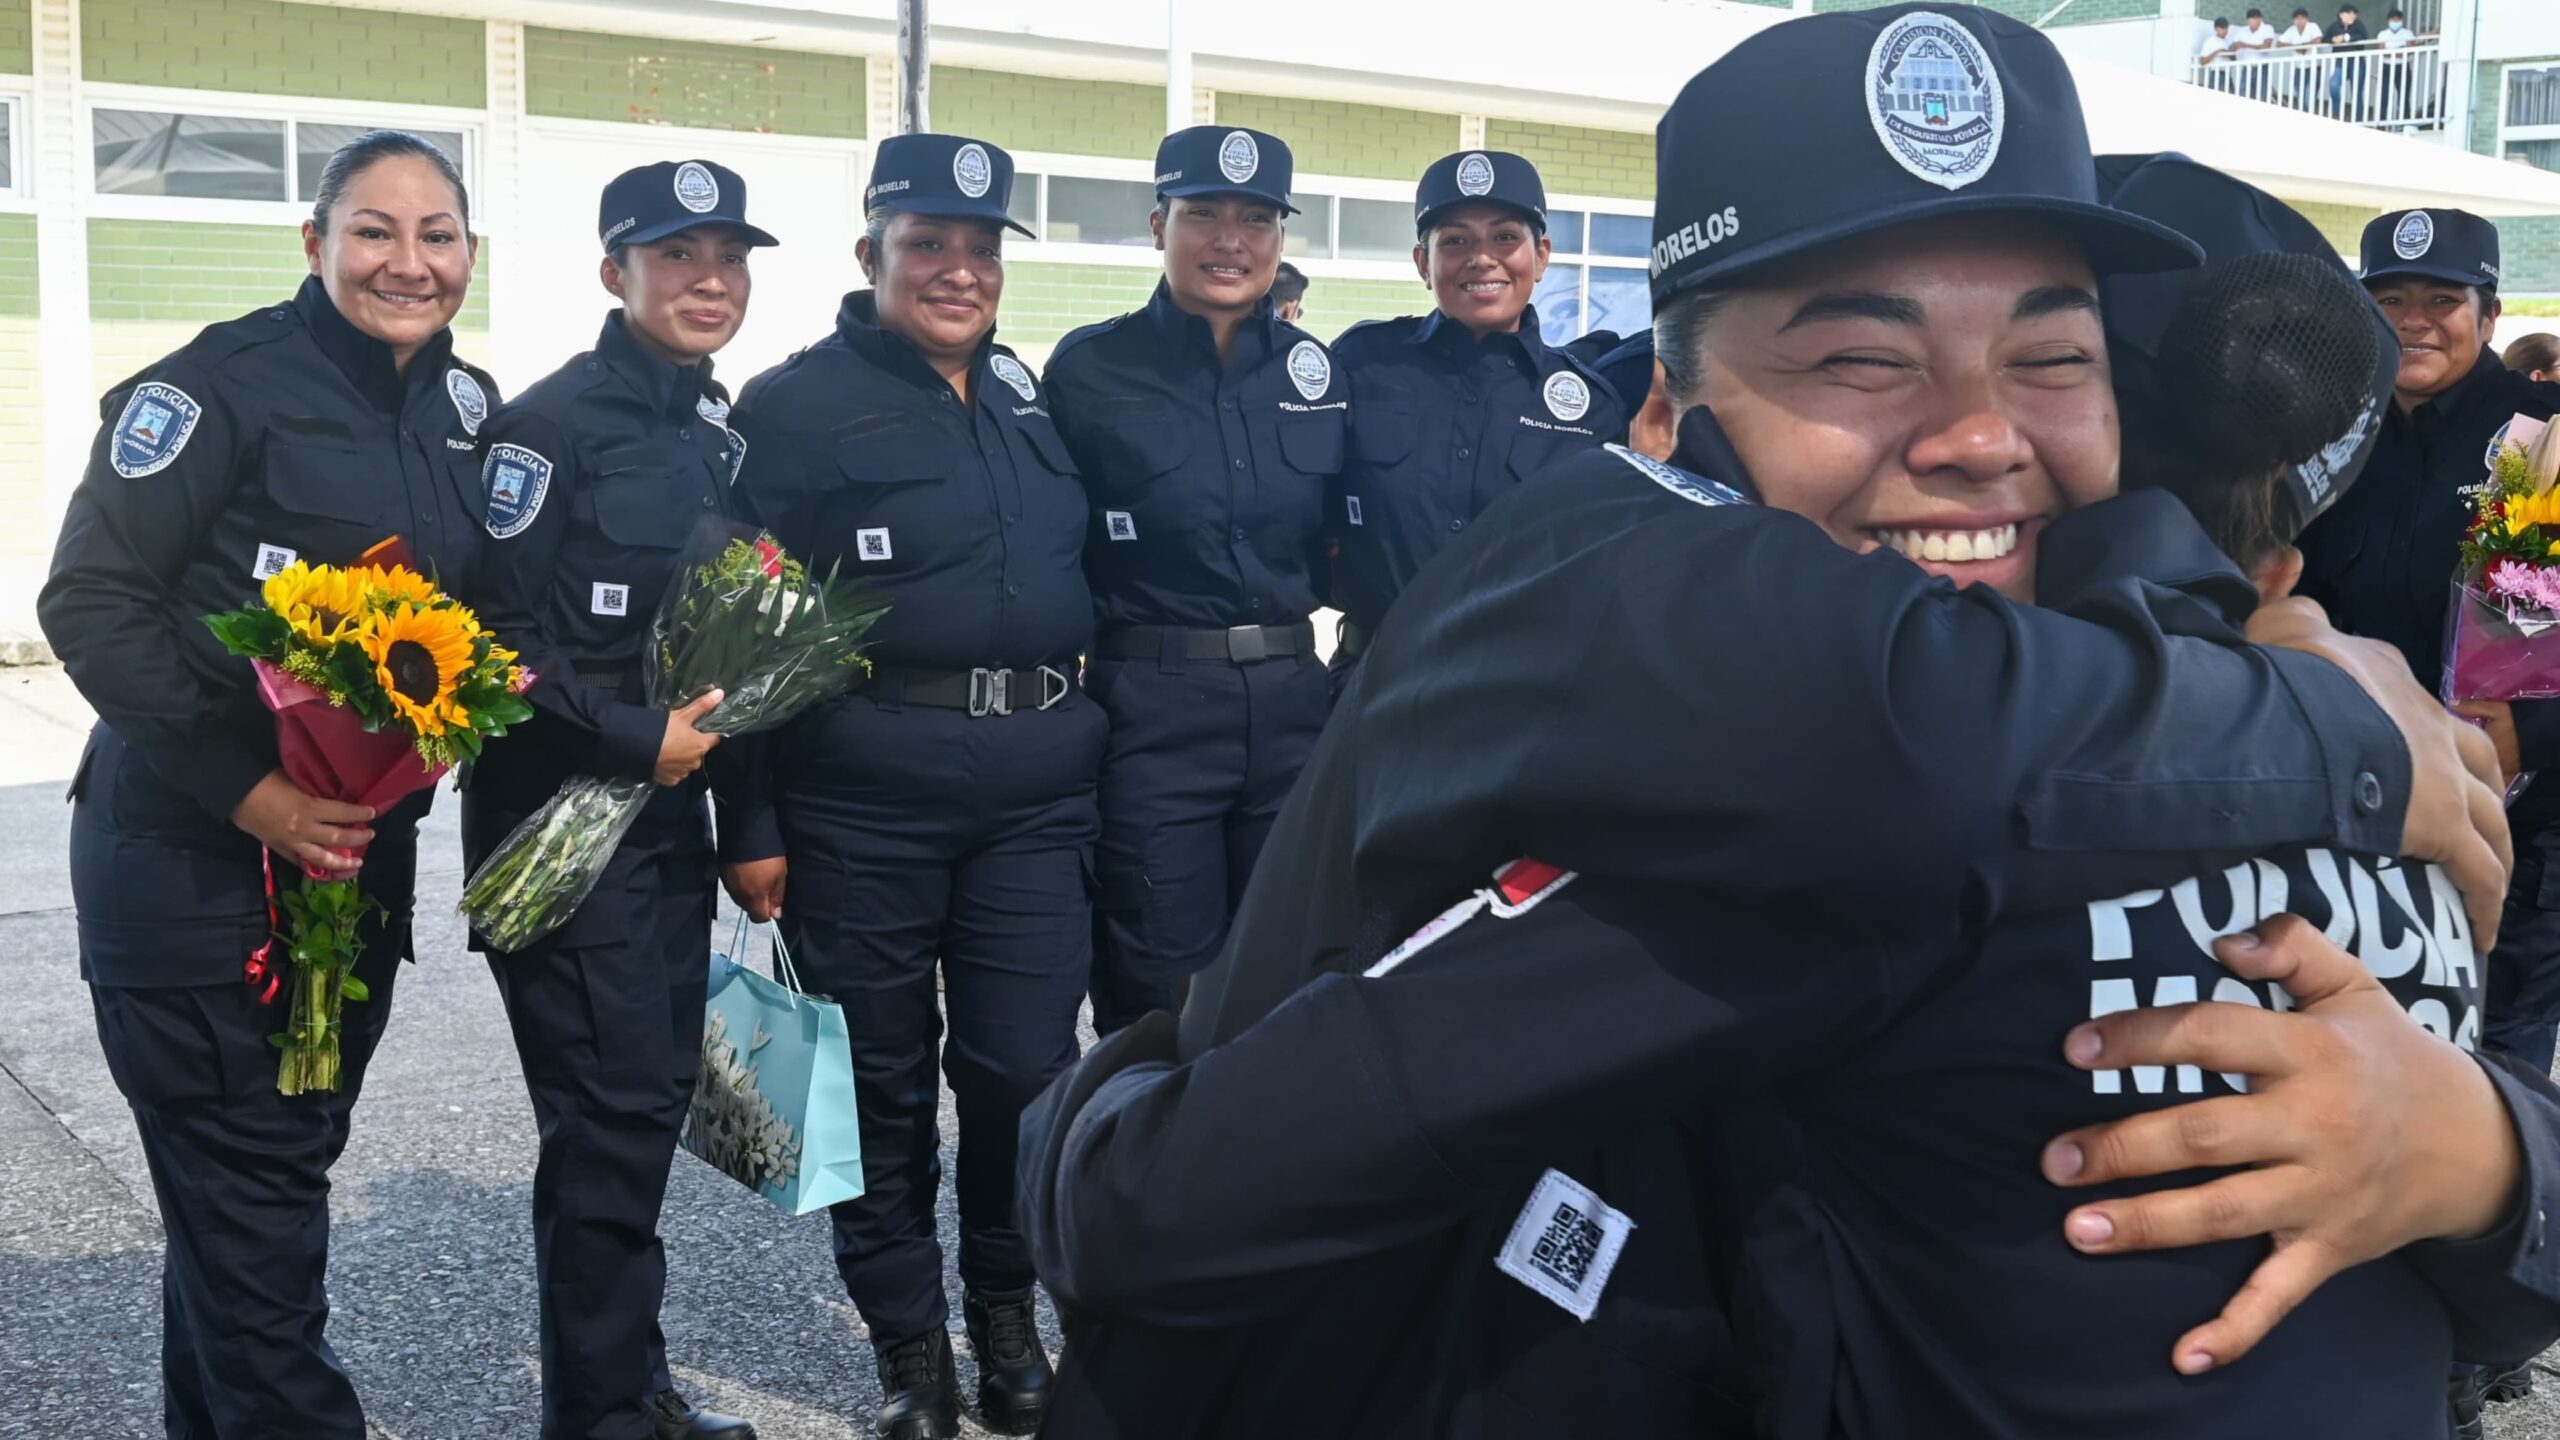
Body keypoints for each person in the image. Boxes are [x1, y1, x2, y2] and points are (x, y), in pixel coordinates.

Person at [1019, 12, 2525, 1437]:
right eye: (1859, 359)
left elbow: (1154, 1206)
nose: (1982, 433)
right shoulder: (1642, 602)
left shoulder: (2057, 773)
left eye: (2054, 358)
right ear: (1666, 421)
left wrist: (2481, 1155)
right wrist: (2338, 730)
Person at [40, 129, 493, 1439]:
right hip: (193, 873)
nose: (407, 262)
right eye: (373, 230)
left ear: (468, 254)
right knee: (259, 1237)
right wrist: (252, 791)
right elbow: (93, 600)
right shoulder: (215, 389)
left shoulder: (463, 416)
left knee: (249, 1226)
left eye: (437, 235)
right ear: (315, 240)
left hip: (349, 879)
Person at [718, 133, 1098, 1440]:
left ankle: (1007, 1313)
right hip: (858, 801)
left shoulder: (1026, 395)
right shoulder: (793, 407)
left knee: (1026, 1077)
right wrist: (751, 823)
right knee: (874, 1086)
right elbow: (748, 635)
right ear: (870, 251)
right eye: (928, 244)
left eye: (981, 249)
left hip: (1036, 807)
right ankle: (909, 1352)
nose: (958, 270)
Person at [459, 159, 769, 1440]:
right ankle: (599, 1417)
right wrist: (626, 733)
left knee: (640, 1109)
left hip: (663, 832)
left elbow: (735, 645)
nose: (710, 281)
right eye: (677, 256)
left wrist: (747, 827)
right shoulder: (543, 430)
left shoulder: (716, 433)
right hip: (557, 827)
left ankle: (626, 1391)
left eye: (730, 259)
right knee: (605, 1120)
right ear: (613, 273)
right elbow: (483, 634)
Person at [2299, 205, 2560, 1421]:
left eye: (2439, 301)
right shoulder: (2324, 439)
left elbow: (2526, 638)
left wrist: (2510, 737)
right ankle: (2381, 1300)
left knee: (2497, 1056)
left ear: (2488, 315)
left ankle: (2479, 1337)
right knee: (2380, 1043)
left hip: (2518, 812)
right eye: (2390, 300)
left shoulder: (2534, 445)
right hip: (2354, 808)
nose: (2413, 321)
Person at [1042, 125, 1343, 1036]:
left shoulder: (1317, 370)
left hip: (1295, 705)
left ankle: (1265, 1169)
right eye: (1203, 213)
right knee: (1155, 978)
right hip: (1153, 704)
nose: (1230, 239)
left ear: (1280, 240)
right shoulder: (1088, 368)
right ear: (1157, 223)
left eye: (1257, 218)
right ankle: (1134, 1170)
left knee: (1290, 965)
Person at [1325, 150, 1623, 689]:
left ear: (1542, 256)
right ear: (1423, 262)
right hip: (1370, 682)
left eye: (1506, 237)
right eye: (1455, 240)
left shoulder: (1590, 408)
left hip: (1518, 695)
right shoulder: (1362, 363)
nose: (1482, 259)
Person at [2326, 3, 2371, 117]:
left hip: (2357, 62)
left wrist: (2346, 37)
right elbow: (2325, 38)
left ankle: (2359, 122)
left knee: (2356, 93)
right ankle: (2338, 113)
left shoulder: (2358, 25)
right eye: (2349, 13)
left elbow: (2364, 36)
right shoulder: (2334, 26)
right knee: (2334, 84)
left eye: (2354, 14)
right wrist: (2333, 39)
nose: (2352, 16)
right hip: (2341, 62)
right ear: (2341, 15)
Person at [2198, 15, 2236, 90]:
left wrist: (2229, 52)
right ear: (2216, 29)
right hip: (2216, 74)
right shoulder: (2210, 41)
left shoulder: (2229, 41)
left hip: (2227, 74)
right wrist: (2217, 52)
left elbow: (2234, 59)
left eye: (2226, 28)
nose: (2225, 31)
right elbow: (2202, 61)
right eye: (2222, 28)